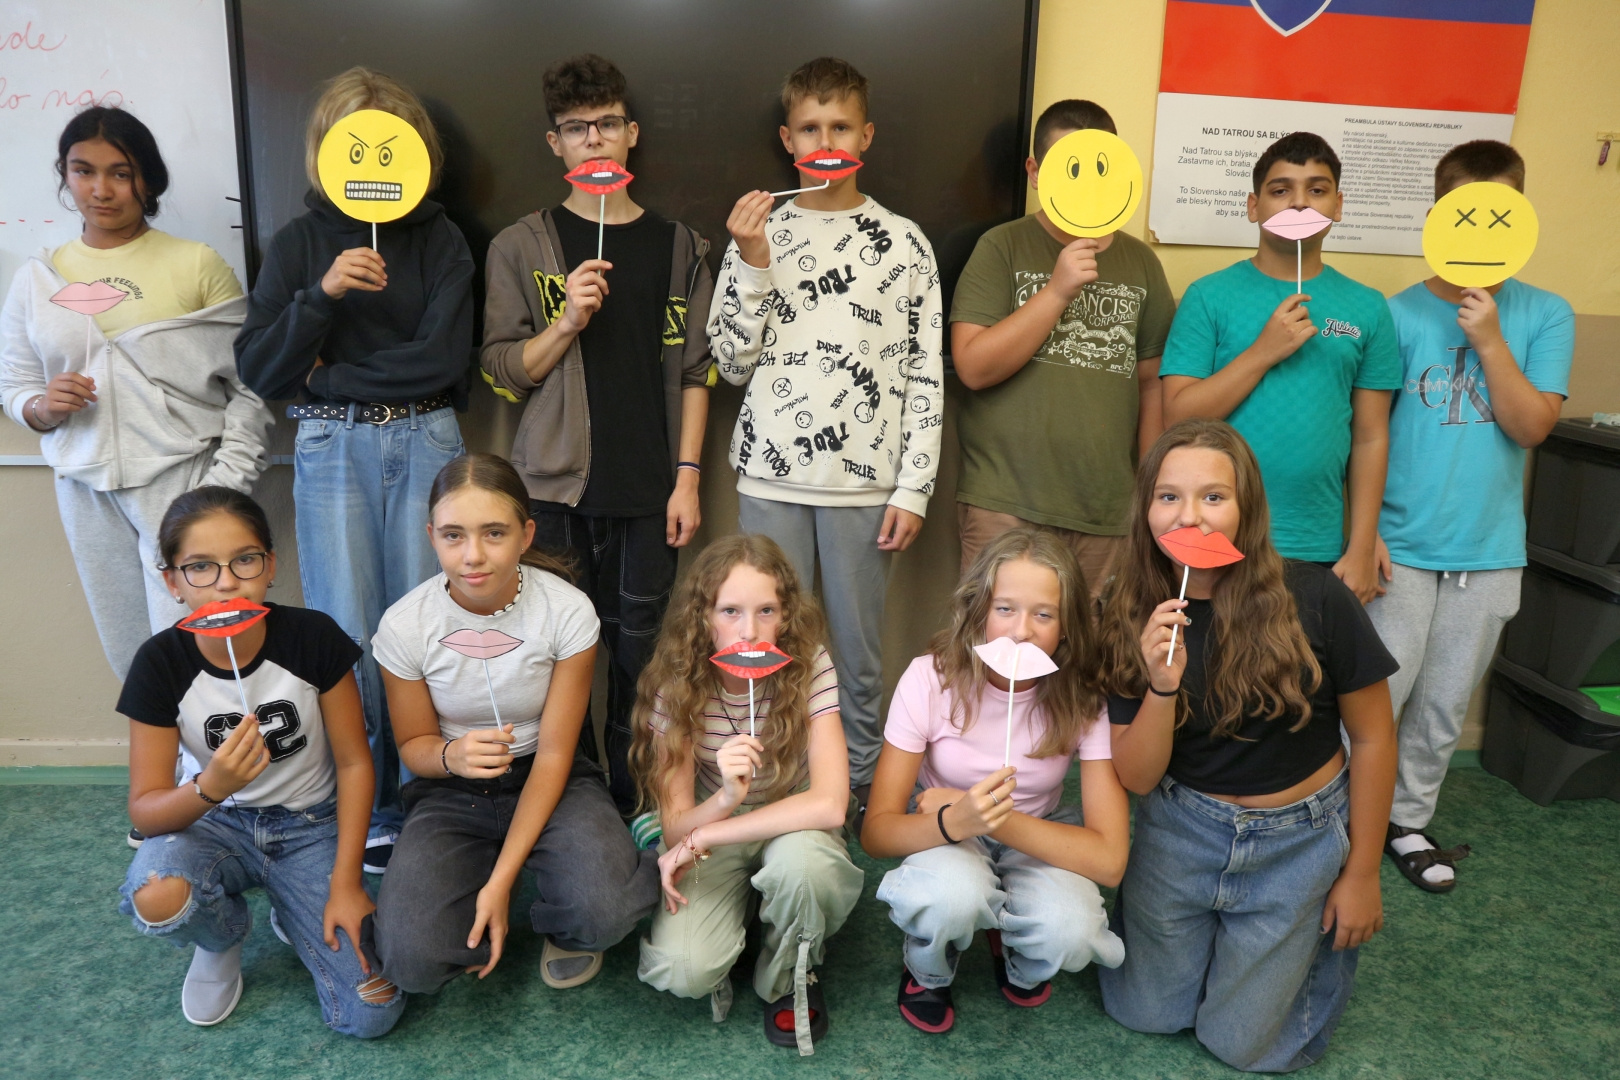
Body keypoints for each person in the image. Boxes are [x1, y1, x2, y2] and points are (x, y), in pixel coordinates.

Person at [1097, 419, 1397, 1073]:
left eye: (1214, 496)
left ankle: (1304, 944)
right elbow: (1138, 778)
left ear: (1247, 508)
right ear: (1146, 508)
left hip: (1298, 841)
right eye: (1169, 496)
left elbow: (1375, 737)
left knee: (1245, 1047)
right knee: (1144, 1013)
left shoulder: (1316, 597)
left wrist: (1363, 873)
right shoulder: (1127, 612)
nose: (1190, 516)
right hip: (1180, 828)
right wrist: (1160, 687)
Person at [236, 67, 474, 872]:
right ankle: (365, 801)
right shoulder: (300, 243)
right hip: (332, 447)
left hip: (425, 437)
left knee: (428, 623)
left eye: (389, 144)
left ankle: (426, 791)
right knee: (347, 630)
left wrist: (326, 376)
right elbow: (262, 368)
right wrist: (323, 295)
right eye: (353, 143)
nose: (372, 160)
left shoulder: (441, 238)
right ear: (326, 149)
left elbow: (442, 361)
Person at [708, 56, 943, 821]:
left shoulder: (903, 242)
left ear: (866, 135)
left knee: (857, 656)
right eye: (810, 128)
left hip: (865, 488)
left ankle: (861, 791)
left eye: (841, 126)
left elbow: (924, 371)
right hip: (769, 481)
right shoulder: (759, 233)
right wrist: (752, 262)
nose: (826, 140)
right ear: (788, 139)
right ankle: (777, 788)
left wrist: (915, 486)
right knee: (767, 648)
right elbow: (729, 361)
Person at [481, 53, 715, 817]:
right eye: (576, 129)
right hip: (554, 496)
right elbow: (501, 373)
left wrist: (687, 478)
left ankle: (633, 800)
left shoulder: (680, 246)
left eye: (607, 124)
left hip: (650, 492)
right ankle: (574, 803)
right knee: (559, 658)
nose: (594, 140)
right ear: (556, 145)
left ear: (631, 134)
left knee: (642, 658)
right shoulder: (522, 245)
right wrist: (566, 321)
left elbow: (696, 372)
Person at [0, 106, 270, 716]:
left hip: (183, 480)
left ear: (147, 179)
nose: (100, 189)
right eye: (83, 171)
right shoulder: (38, 278)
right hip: (85, 486)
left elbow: (253, 385)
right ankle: (164, 768)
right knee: (133, 652)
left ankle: (224, 766)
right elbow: (15, 382)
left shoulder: (196, 264)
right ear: (65, 175)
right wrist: (41, 407)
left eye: (120, 173)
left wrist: (223, 487)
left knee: (207, 642)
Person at [117, 486, 401, 1034]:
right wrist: (212, 785)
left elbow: (354, 764)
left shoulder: (313, 637)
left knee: (372, 1012)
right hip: (212, 824)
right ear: (172, 582)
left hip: (312, 826)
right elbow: (146, 812)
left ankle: (296, 905)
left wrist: (346, 883)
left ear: (269, 566)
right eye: (200, 567)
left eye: (244, 560)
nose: (226, 582)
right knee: (157, 894)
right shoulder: (159, 663)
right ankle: (220, 938)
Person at [370, 454, 657, 994]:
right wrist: (451, 756)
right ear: (431, 537)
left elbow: (555, 754)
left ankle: (555, 915)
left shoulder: (566, 611)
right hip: (451, 789)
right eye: (453, 536)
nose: (473, 556)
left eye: (494, 533)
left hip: (550, 775)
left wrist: (501, 883)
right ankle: (471, 895)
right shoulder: (405, 625)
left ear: (526, 535)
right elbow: (413, 745)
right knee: (410, 961)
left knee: (605, 911)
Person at [1369, 140, 1573, 893]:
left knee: (1445, 702)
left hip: (1487, 549)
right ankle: (1343, 819)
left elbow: (1532, 426)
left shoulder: (1545, 314)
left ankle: (1406, 821)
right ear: (1437, 213)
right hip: (1399, 545)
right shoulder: (1394, 315)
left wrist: (1488, 340)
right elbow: (1367, 434)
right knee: (1377, 695)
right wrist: (1366, 534)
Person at [863, 527, 1129, 1034]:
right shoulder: (929, 678)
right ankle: (929, 967)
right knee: (949, 898)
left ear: (1067, 626)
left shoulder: (1085, 697)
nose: (1021, 631)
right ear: (978, 609)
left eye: (1044, 614)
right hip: (946, 830)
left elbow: (1110, 862)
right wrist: (954, 821)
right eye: (1005, 608)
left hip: (1037, 829)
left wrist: (988, 818)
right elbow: (877, 833)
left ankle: (1017, 946)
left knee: (1070, 930)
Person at [631, 534, 862, 1055]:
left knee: (803, 871)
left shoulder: (811, 664)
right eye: (730, 611)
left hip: (794, 821)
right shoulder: (677, 681)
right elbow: (677, 825)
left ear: (787, 616)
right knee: (684, 971)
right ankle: (743, 916)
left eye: (766, 611)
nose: (749, 631)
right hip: (714, 824)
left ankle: (788, 972)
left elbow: (830, 803)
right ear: (703, 616)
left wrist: (706, 835)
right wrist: (724, 800)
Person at [1159, 133, 1400, 604]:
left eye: (1317, 190)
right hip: (1215, 536)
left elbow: (1371, 436)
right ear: (1254, 206)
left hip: (1317, 541)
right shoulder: (1209, 296)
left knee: (1302, 653)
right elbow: (1178, 418)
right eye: (1280, 190)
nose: (1299, 203)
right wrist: (1263, 352)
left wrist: (1362, 542)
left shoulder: (1368, 307)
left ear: (1337, 206)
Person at [949, 100, 1175, 584]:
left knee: (1095, 635)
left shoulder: (1142, 264)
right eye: (1068, 168)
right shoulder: (1001, 247)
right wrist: (1056, 292)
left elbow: (1152, 384)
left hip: (1106, 513)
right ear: (1035, 173)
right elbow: (972, 366)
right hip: (1004, 503)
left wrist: (1151, 491)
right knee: (996, 630)